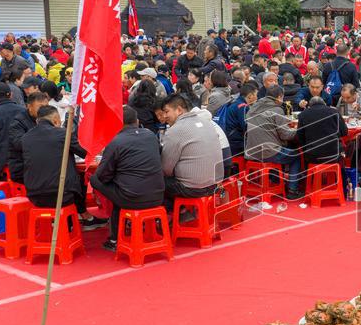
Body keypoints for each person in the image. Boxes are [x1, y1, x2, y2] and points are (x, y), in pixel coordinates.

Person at [90, 106, 166, 250]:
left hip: (131, 197)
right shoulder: (150, 135)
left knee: (95, 180)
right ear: (137, 121)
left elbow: (102, 175)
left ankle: (114, 239)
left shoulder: (116, 142)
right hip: (158, 194)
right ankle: (122, 231)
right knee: (122, 188)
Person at [21, 105, 104, 227]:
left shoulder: (25, 138)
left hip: (34, 194)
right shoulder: (61, 134)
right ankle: (74, 221)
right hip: (61, 195)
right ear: (55, 120)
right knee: (80, 179)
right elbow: (86, 152)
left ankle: (73, 220)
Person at [160, 93, 224, 209]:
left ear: (179, 110)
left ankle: (179, 214)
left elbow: (166, 169)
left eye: (166, 111)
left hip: (193, 189)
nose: (164, 116)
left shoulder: (175, 130)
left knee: (156, 181)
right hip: (216, 184)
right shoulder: (206, 122)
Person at [244, 85, 303, 199]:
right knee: (296, 156)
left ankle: (275, 182)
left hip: (251, 151)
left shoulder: (253, 107)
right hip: (268, 152)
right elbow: (285, 135)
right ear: (279, 97)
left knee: (277, 149)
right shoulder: (277, 109)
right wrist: (299, 130)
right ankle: (292, 190)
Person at [7, 92, 49, 184]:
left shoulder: (47, 119)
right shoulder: (18, 123)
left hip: (42, 164)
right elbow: (19, 144)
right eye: (40, 107)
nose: (44, 111)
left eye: (46, 107)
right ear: (29, 106)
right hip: (23, 167)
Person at [296, 95, 347, 165]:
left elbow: (299, 138)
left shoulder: (303, 115)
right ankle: (342, 175)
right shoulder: (334, 112)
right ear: (324, 104)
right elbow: (344, 132)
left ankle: (308, 175)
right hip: (334, 154)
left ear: (309, 106)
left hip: (313, 156)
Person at [222, 83, 257, 159]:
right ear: (250, 96)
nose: (256, 97)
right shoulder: (243, 106)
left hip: (230, 138)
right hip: (238, 142)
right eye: (255, 95)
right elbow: (245, 125)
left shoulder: (235, 102)